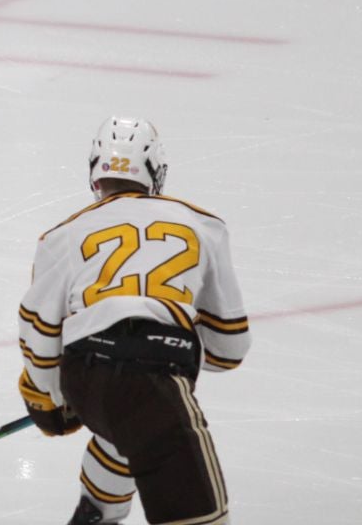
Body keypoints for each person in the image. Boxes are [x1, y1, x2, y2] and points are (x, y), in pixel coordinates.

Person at [17, 117, 250, 525]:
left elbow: (39, 331)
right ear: (157, 173)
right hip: (151, 374)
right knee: (200, 514)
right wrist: (175, 335)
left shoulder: (62, 236)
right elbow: (230, 347)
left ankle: (97, 513)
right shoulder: (203, 224)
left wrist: (50, 399)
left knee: (124, 431)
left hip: (83, 373)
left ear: (95, 171)